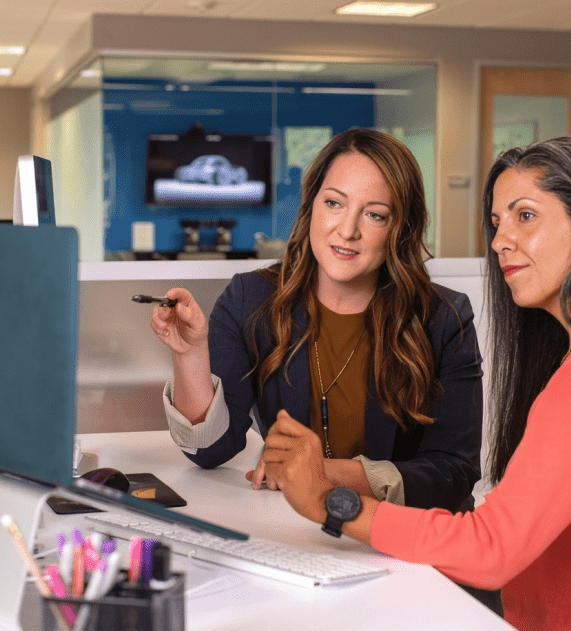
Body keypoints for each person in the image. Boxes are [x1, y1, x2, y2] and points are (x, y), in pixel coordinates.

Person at [261, 134, 571, 630]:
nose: (501, 240)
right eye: (498, 222)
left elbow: (492, 550)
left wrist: (333, 505)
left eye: (525, 216)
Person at [150, 128, 497, 609]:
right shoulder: (250, 300)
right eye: (334, 204)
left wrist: (323, 477)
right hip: (301, 547)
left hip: (408, 553)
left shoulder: (443, 317)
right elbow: (212, 451)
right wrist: (189, 354)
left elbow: (454, 473)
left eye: (374, 215)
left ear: (400, 228)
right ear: (312, 204)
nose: (347, 230)